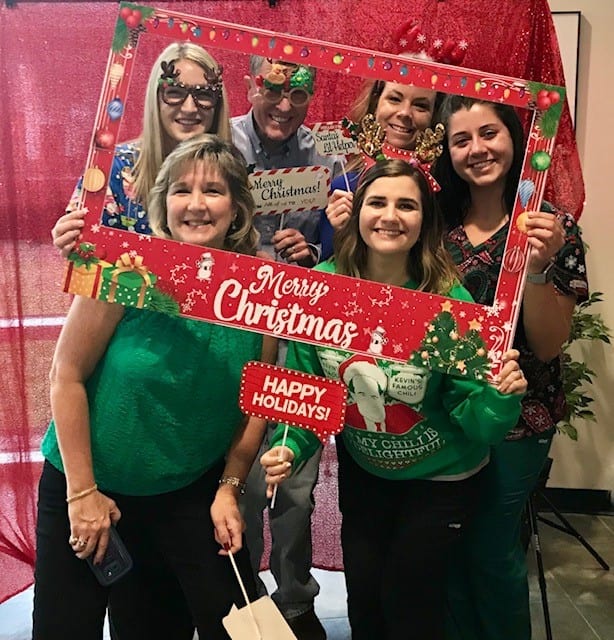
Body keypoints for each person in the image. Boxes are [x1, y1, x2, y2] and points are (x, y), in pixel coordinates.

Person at [261, 157, 528, 640]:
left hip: (441, 478)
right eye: (378, 202)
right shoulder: (323, 289)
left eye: (406, 205)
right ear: (357, 211)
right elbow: (307, 394)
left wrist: (500, 398)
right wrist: (290, 447)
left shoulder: (448, 301)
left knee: (411, 606)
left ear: (424, 220)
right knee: (364, 599)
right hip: (367, 472)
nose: (390, 216)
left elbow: (481, 423)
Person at [33, 134, 277, 640]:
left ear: (236, 208)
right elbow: (65, 375)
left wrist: (230, 487)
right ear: (163, 205)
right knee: (64, 627)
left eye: (213, 191)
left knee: (162, 627)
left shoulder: (262, 290)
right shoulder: (125, 268)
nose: (196, 204)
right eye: (182, 191)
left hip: (184, 488)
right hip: (87, 480)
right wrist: (83, 494)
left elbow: (256, 404)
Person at [432, 95, 589, 640]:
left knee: (490, 546)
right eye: (461, 139)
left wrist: (539, 269)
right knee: (448, 547)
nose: (477, 149)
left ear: (515, 139)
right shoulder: (436, 225)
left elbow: (547, 346)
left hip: (521, 417)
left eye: (489, 133)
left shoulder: (551, 226)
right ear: (447, 151)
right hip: (449, 416)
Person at [232, 54, 336, 640]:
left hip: (301, 334)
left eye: (298, 94)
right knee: (243, 476)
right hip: (239, 332)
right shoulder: (221, 142)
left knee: (296, 483)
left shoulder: (328, 156)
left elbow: (347, 249)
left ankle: (295, 598)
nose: (284, 104)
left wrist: (314, 251)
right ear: (251, 87)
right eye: (272, 90)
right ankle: (245, 598)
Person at [52, 41, 231, 253]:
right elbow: (88, 256)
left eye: (204, 95)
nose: (189, 108)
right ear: (155, 99)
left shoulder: (231, 170)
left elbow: (239, 245)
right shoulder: (112, 170)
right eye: (174, 93)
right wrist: (71, 239)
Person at [319, 76, 439, 259]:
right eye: (395, 99)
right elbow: (327, 267)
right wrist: (342, 234)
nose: (405, 113)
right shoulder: (343, 188)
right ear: (376, 103)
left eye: (420, 106)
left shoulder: (443, 191)